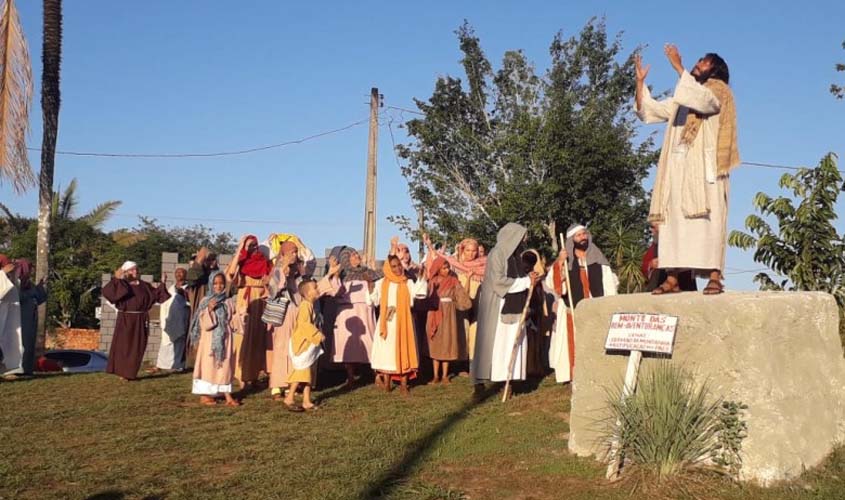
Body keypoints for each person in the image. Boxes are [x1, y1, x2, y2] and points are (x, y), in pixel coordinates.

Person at [635, 45, 740, 295]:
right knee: (674, 223)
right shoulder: (684, 96)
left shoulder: (718, 91)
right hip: (678, 169)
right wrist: (640, 84)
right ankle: (672, 278)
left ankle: (714, 277)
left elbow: (704, 102)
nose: (698, 64)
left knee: (709, 222)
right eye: (699, 60)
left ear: (715, 70)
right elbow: (651, 111)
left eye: (704, 62)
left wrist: (678, 67)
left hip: (706, 170)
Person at [545, 224, 618, 384]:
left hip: (595, 307)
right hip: (573, 309)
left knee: (595, 339)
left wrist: (609, 304)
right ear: (572, 240)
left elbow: (610, 283)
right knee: (574, 341)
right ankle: (574, 374)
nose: (583, 237)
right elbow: (554, 284)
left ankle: (596, 371)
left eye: (584, 234)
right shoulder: (566, 261)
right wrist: (559, 263)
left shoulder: (598, 258)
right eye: (578, 235)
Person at [471, 223, 540, 393]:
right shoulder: (498, 253)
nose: (523, 241)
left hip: (514, 303)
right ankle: (487, 381)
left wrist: (528, 277)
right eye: (521, 237)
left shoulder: (515, 255)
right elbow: (498, 281)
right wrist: (525, 282)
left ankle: (508, 379)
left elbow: (517, 276)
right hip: (498, 304)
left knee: (510, 342)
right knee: (496, 344)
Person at [266, 242, 339, 401]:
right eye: (292, 252)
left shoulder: (299, 272)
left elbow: (310, 290)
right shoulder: (277, 270)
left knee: (297, 349)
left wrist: (330, 275)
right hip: (285, 315)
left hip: (301, 314)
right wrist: (282, 273)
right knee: (282, 349)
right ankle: (278, 385)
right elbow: (271, 292)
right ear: (283, 254)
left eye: (296, 251)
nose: (295, 254)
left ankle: (294, 383)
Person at [370, 238, 428, 396]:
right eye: (393, 266)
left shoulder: (407, 283)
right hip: (387, 322)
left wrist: (422, 278)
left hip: (403, 322)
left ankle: (403, 383)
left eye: (398, 266)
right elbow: (373, 300)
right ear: (388, 268)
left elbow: (419, 294)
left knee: (403, 349)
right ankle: (387, 381)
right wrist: (370, 289)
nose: (397, 269)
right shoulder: (381, 283)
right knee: (387, 352)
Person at [423, 235, 486, 368]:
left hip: (478, 300)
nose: (471, 254)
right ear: (462, 250)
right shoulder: (456, 265)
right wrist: (429, 245)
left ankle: (474, 361)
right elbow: (439, 259)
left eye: (474, 250)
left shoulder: (483, 265)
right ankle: (461, 363)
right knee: (462, 330)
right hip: (459, 302)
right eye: (468, 250)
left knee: (476, 330)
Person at [102, 261, 171, 381]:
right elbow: (110, 294)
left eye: (136, 269)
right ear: (126, 272)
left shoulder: (144, 285)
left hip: (141, 319)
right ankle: (122, 372)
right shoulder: (122, 284)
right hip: (126, 319)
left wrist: (162, 282)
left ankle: (131, 372)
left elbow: (156, 295)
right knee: (124, 346)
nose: (135, 271)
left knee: (138, 346)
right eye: (132, 270)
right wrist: (117, 279)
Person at [326, 246, 382, 388]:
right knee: (348, 344)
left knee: (369, 340)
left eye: (357, 254)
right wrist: (336, 274)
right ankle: (350, 377)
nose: (356, 256)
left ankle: (377, 375)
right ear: (346, 259)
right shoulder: (342, 275)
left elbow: (382, 275)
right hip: (347, 311)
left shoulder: (367, 272)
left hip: (365, 310)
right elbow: (335, 291)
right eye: (352, 255)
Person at [225, 234, 272, 388]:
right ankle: (241, 375)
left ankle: (253, 375)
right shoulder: (241, 261)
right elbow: (230, 275)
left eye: (254, 245)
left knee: (258, 337)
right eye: (249, 245)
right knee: (244, 337)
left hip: (261, 300)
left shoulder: (263, 261)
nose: (252, 248)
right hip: (246, 300)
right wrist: (240, 250)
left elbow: (272, 278)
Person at [190, 271, 239, 406]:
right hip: (210, 339)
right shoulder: (206, 300)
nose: (218, 286)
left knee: (224, 365)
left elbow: (233, 318)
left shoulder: (228, 301)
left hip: (225, 338)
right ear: (211, 284)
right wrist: (210, 310)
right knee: (208, 366)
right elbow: (203, 323)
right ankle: (205, 395)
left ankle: (227, 395)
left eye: (221, 283)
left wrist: (241, 317)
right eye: (215, 283)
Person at [425, 256, 472, 385]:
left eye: (447, 267)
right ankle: (435, 376)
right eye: (443, 268)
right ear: (438, 269)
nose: (446, 270)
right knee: (435, 343)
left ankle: (445, 375)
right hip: (435, 312)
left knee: (446, 341)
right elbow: (427, 296)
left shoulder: (453, 280)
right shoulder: (432, 281)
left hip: (449, 314)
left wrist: (466, 299)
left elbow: (461, 296)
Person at [284, 279, 326, 411]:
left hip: (308, 344)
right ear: (307, 293)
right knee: (302, 372)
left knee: (308, 373)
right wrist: (318, 335)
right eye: (314, 288)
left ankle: (306, 400)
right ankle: (289, 397)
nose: (317, 289)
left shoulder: (310, 305)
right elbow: (305, 325)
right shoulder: (304, 306)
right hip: (302, 344)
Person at [153, 267, 190, 372]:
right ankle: (161, 365)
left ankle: (178, 365)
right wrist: (163, 282)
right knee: (166, 342)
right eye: (177, 272)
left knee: (179, 343)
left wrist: (183, 293)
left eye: (181, 272)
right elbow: (165, 300)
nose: (179, 274)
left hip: (181, 320)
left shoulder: (188, 287)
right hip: (169, 320)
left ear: (186, 275)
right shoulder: (171, 288)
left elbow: (189, 301)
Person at [641, 223, 697, 292]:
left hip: (685, 282)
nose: (653, 230)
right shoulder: (654, 247)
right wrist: (651, 264)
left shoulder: (682, 242)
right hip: (658, 282)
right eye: (652, 227)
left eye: (655, 227)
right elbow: (644, 267)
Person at [521, 249, 549, 377]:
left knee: (533, 339)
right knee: (528, 340)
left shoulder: (535, 277)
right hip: (526, 310)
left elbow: (537, 296)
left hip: (533, 311)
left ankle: (533, 367)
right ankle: (528, 367)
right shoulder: (522, 277)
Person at [17, 259, 47, 376]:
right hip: (20, 320)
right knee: (20, 345)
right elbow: (18, 298)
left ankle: (27, 369)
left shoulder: (30, 285)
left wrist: (40, 287)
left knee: (29, 346)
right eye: (29, 268)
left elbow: (41, 299)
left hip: (31, 320)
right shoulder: (15, 284)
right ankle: (17, 369)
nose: (31, 271)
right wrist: (31, 294)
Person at [0, 256, 23, 376]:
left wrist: (9, 274)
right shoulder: (2, 277)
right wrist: (3, 273)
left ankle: (6, 369)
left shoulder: (8, 280)